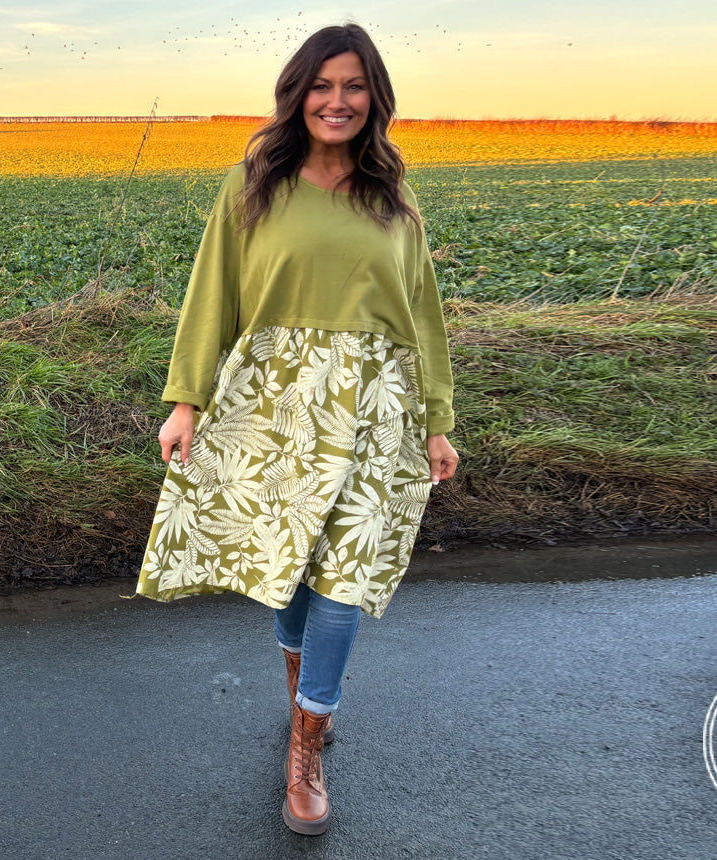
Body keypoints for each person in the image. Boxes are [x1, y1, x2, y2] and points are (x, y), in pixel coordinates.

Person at [133, 22, 458, 836]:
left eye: (353, 86)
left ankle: (306, 746)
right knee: (289, 574)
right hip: (273, 405)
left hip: (376, 411)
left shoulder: (393, 196)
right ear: (297, 93)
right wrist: (186, 401)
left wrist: (437, 421)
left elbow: (422, 315)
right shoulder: (255, 186)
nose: (337, 101)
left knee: (344, 582)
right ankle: (302, 697)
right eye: (322, 85)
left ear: (375, 98)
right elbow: (211, 295)